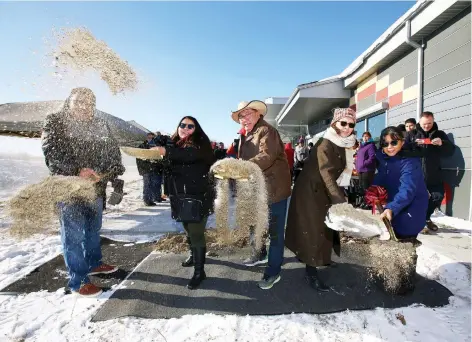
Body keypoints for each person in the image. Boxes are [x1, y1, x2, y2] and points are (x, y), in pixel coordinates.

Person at [41, 87, 124, 296]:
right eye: (78, 101)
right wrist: (77, 170)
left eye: (88, 103)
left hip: (95, 189)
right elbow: (51, 151)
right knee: (73, 235)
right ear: (69, 102)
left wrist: (111, 174)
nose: (83, 106)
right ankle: (79, 281)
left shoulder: (100, 124)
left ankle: (94, 262)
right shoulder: (55, 122)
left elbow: (113, 152)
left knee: (93, 230)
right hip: (68, 189)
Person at [285, 107, 357, 292]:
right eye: (343, 123)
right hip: (310, 192)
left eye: (351, 124)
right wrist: (339, 200)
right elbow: (327, 174)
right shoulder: (326, 144)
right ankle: (311, 272)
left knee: (326, 228)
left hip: (323, 191)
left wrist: (339, 194)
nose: (347, 127)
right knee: (313, 231)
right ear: (335, 124)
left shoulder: (345, 143)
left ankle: (322, 258)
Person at [231, 100, 291, 290]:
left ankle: (273, 272)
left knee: (275, 233)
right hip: (255, 190)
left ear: (259, 114)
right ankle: (259, 254)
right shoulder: (245, 135)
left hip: (274, 191)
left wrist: (242, 168)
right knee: (255, 226)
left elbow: (266, 156)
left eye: (248, 113)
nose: (244, 118)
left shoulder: (266, 131)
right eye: (241, 116)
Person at [151, 116, 215, 289]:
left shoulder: (201, 144)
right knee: (187, 227)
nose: (185, 128)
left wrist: (166, 151)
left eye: (190, 126)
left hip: (197, 196)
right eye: (182, 125)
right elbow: (168, 167)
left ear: (197, 129)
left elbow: (189, 156)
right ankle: (194, 255)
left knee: (196, 232)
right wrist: (154, 156)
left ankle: (199, 272)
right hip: (179, 195)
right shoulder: (175, 144)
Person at [371, 126, 429, 239]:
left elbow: (407, 189)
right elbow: (381, 178)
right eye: (385, 143)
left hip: (410, 212)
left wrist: (392, 207)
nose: (390, 147)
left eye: (394, 142)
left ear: (402, 142)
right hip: (394, 210)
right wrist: (373, 190)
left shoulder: (410, 162)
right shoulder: (386, 159)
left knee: (405, 246)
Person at [405, 111, 455, 232]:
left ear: (433, 121)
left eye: (429, 123)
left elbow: (450, 151)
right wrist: (414, 144)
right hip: (416, 173)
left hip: (433, 173)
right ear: (419, 122)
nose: (427, 126)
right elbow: (402, 149)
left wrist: (442, 143)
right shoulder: (412, 134)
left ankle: (426, 218)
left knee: (437, 196)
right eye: (424, 123)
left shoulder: (440, 134)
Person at [136, 132, 163, 206]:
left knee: (152, 185)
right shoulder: (142, 146)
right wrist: (141, 169)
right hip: (145, 169)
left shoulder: (156, 146)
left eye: (152, 138)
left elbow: (159, 158)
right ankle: (147, 200)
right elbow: (138, 159)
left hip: (154, 169)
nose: (150, 139)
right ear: (146, 137)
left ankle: (151, 199)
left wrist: (157, 164)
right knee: (147, 185)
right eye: (149, 137)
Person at [355, 132, 377, 209]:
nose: (365, 138)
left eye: (367, 136)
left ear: (370, 137)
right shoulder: (361, 146)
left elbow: (372, 158)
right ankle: (363, 202)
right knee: (362, 188)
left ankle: (369, 204)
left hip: (367, 169)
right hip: (360, 170)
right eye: (364, 136)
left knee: (367, 187)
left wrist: (364, 163)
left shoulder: (371, 145)